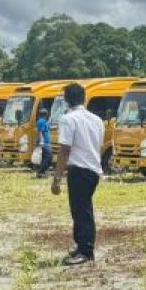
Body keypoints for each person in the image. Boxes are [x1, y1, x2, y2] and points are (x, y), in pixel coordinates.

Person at [51, 83, 105, 266]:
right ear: (84, 98)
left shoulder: (68, 119)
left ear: (66, 100)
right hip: (93, 170)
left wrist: (56, 178)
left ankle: (85, 250)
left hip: (79, 170)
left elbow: (64, 150)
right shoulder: (97, 120)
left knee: (81, 211)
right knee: (83, 209)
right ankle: (82, 245)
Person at [35, 110, 52, 178]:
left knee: (46, 158)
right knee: (48, 157)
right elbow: (40, 132)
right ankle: (40, 172)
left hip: (47, 143)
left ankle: (42, 172)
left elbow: (47, 129)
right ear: (46, 115)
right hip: (44, 143)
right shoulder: (41, 121)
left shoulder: (44, 121)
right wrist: (41, 141)